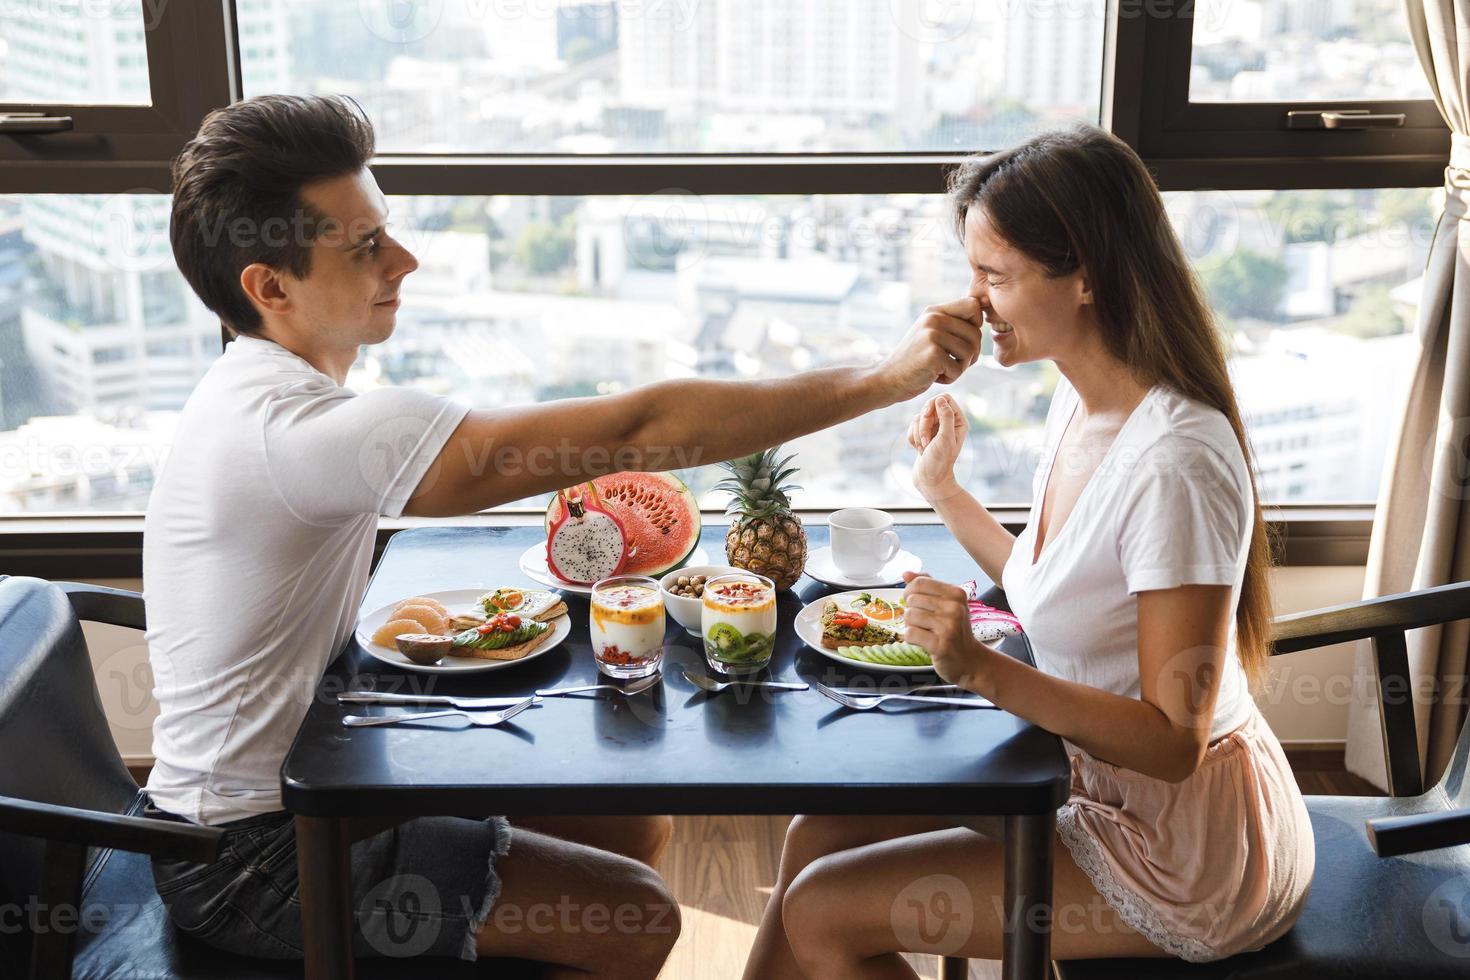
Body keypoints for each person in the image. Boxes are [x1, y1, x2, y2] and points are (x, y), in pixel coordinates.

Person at [140, 94, 981, 975]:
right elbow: (634, 432)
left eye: (385, 230)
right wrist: (886, 379)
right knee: (640, 916)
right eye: (363, 247)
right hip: (252, 860)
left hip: (307, 792)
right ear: (269, 287)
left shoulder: (258, 393)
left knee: (632, 821)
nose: (405, 258)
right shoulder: (301, 434)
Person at [742, 125, 1315, 979]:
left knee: (823, 911)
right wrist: (943, 489)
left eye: (995, 277)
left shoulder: (1176, 464)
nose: (971, 304)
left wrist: (979, 668)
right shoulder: (1081, 404)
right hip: (1089, 780)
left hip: (1183, 849)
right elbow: (1049, 587)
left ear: (1083, 275)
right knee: (814, 836)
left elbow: (1171, 743)